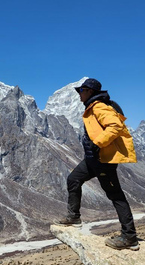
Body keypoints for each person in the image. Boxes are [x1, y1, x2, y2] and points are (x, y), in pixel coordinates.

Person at [57, 78, 139, 251]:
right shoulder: (91, 107)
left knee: (115, 195)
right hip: (92, 159)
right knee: (73, 179)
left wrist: (98, 143)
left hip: (103, 161)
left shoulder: (99, 107)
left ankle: (130, 237)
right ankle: (74, 217)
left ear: (89, 92)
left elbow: (115, 126)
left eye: (81, 91)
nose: (79, 94)